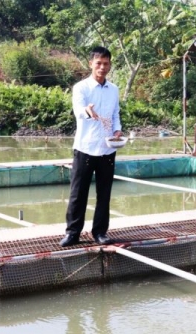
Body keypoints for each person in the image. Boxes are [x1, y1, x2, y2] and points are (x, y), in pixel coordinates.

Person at [60, 46, 123, 247]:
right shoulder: (81, 88)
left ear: (110, 65)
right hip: (85, 148)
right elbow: (78, 110)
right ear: (91, 64)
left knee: (104, 194)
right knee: (78, 193)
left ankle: (100, 232)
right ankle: (72, 233)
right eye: (98, 63)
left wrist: (117, 131)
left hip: (107, 149)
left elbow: (115, 115)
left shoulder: (113, 89)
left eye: (106, 64)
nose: (102, 67)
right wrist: (87, 111)